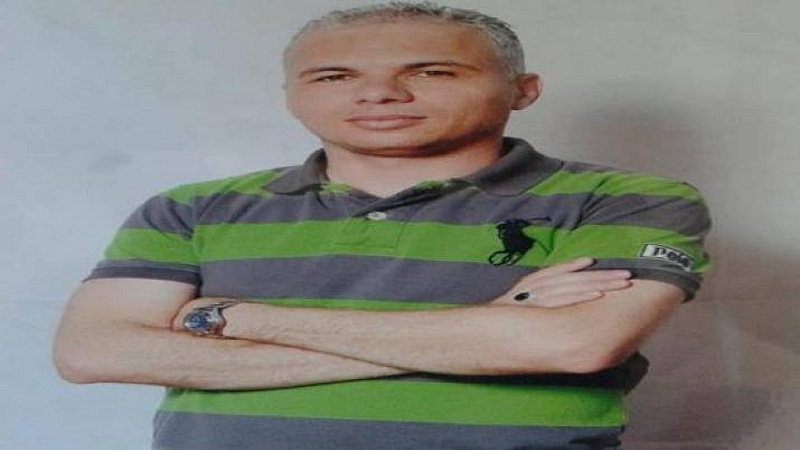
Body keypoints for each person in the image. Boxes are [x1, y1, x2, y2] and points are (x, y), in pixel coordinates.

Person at [53, 2, 711, 449]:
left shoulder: (627, 199)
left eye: (431, 72)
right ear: (292, 95)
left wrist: (232, 317)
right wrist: (488, 331)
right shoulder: (193, 208)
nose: (379, 94)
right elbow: (94, 354)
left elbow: (575, 345)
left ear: (523, 89)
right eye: (334, 75)